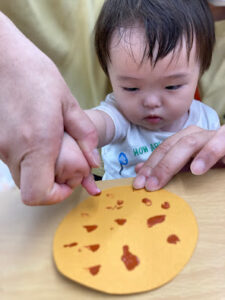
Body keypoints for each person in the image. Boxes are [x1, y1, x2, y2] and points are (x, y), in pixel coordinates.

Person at [54, 0, 220, 185]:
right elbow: (95, 125)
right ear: (109, 74)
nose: (151, 102)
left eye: (172, 86)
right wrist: (69, 136)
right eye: (131, 88)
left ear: (201, 70)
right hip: (124, 205)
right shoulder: (119, 115)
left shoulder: (207, 120)